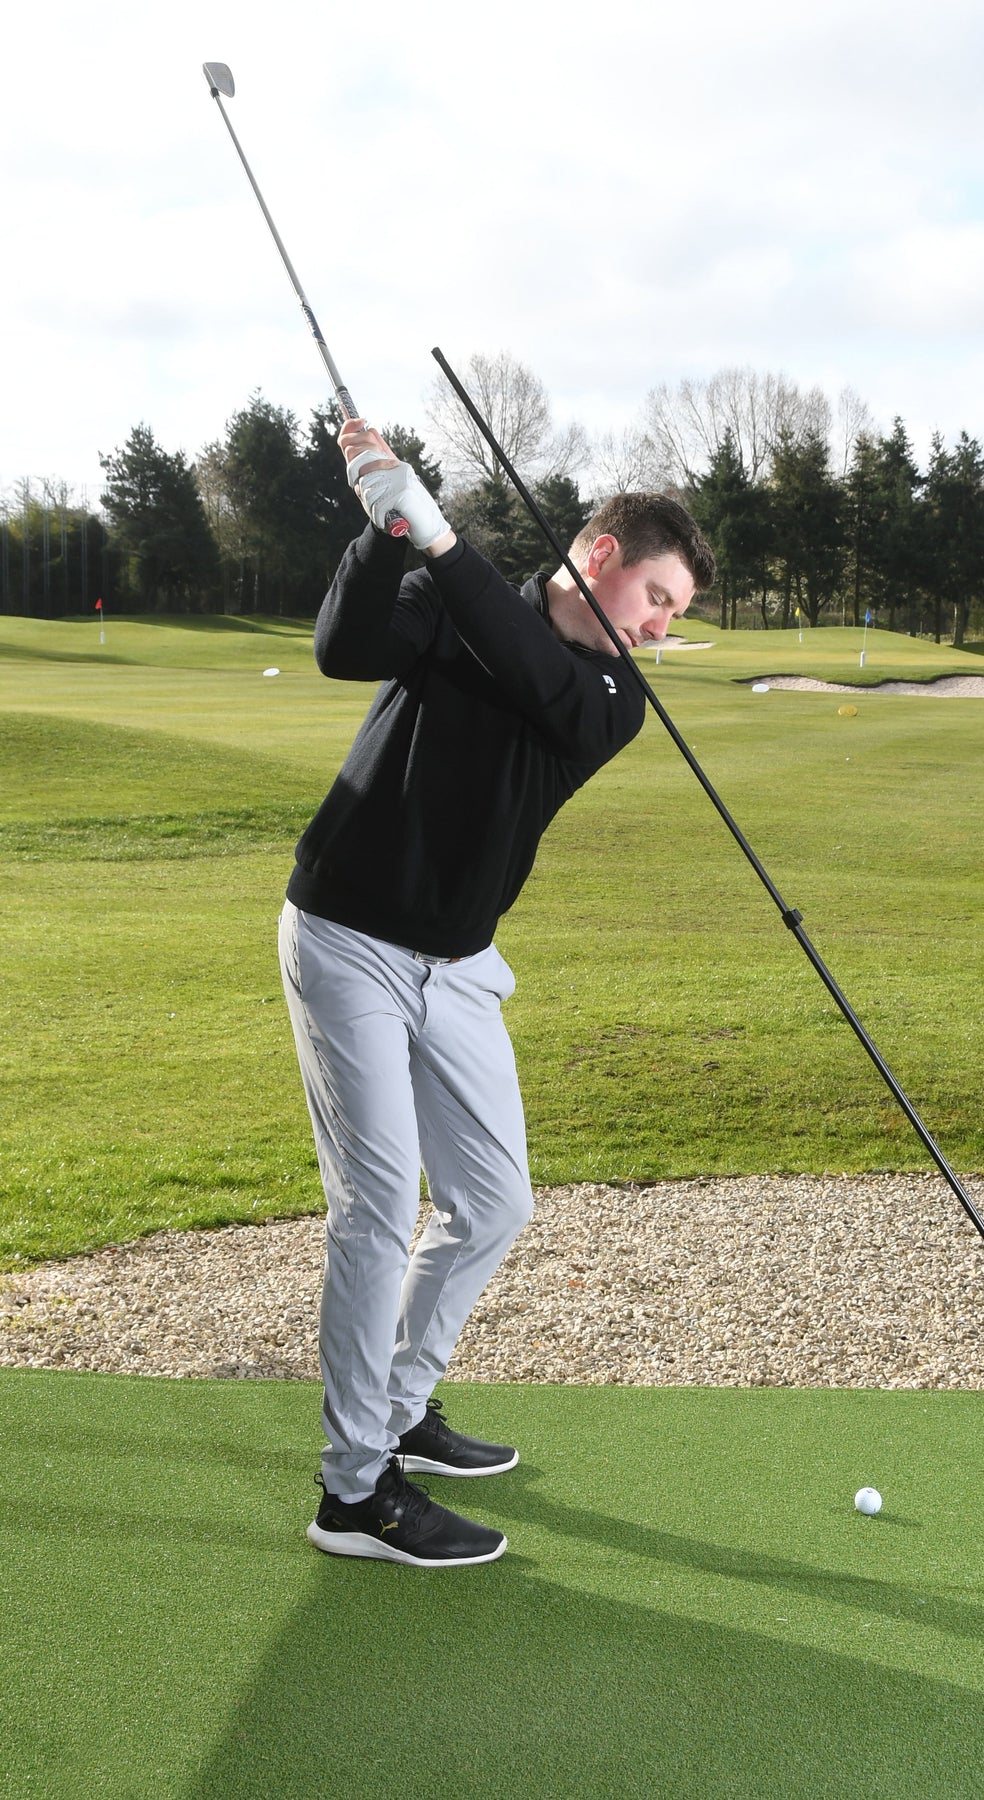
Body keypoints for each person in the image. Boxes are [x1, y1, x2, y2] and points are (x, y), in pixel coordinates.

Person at [279, 418, 715, 1567]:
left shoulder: (612, 695)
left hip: (461, 962)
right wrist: (384, 531)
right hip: (349, 937)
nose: (660, 628)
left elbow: (533, 676)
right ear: (600, 554)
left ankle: (398, 1408)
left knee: (493, 1202)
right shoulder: (448, 596)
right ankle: (353, 1491)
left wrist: (438, 534)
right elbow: (342, 648)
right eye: (658, 598)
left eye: (672, 614)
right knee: (378, 1209)